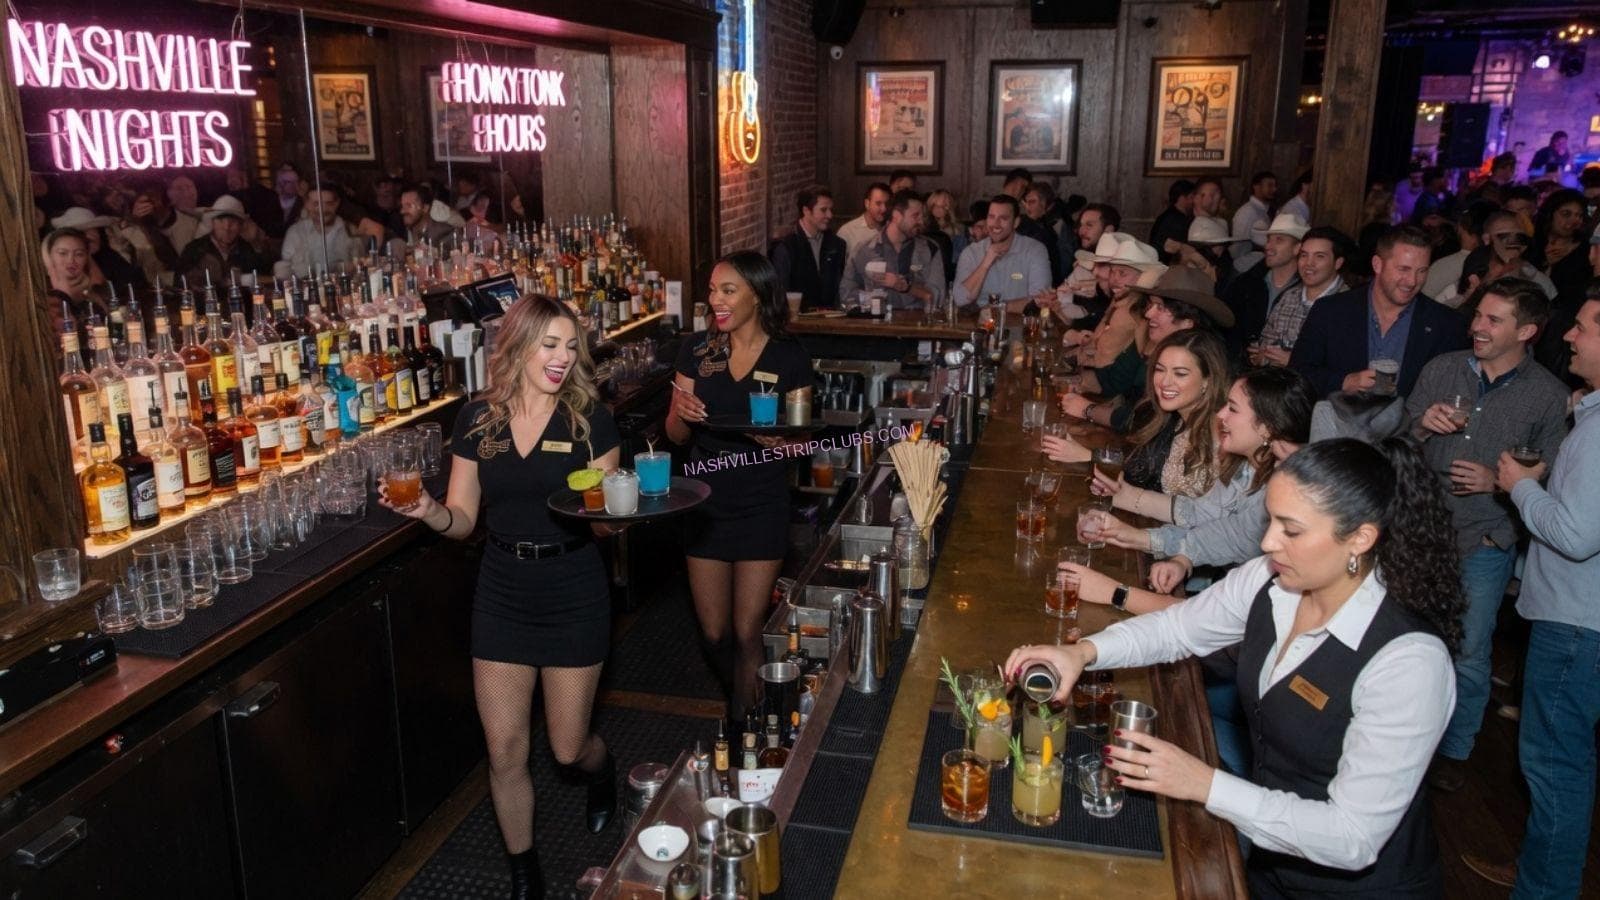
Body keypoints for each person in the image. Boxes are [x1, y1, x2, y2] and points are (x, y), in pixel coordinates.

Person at [1008, 436, 1464, 897]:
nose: (1268, 542)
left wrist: (1204, 783)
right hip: (1272, 864)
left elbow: (1353, 837)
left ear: (1360, 538)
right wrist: (1082, 652)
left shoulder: (1409, 662)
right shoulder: (1271, 582)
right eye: (1270, 521)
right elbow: (1176, 630)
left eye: (1291, 530)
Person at [379, 295, 624, 895]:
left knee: (567, 749)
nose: (563, 358)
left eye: (571, 346)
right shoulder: (476, 421)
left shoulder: (591, 420)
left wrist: (617, 515)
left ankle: (602, 770)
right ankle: (524, 871)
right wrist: (430, 510)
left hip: (573, 588)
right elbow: (463, 519)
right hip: (503, 591)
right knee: (506, 750)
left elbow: (604, 520)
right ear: (517, 345)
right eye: (550, 344)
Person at [1400, 278, 1571, 795]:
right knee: (1405, 640)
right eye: (1478, 315)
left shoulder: (1549, 396)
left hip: (1486, 541)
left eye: (1493, 320)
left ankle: (1455, 748)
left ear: (1527, 330)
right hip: (1420, 532)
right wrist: (1421, 425)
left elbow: (1556, 474)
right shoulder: (1442, 369)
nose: (1476, 325)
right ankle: (1399, 738)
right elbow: (1400, 440)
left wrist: (1500, 489)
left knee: (1468, 651)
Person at [1460, 294, 1600, 895]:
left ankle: (1544, 889)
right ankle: (1543, 872)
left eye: (1585, 326)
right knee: (1560, 761)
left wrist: (1518, 486)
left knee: (1554, 765)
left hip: (1576, 624)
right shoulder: (1587, 417)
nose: (1570, 335)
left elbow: (1573, 535)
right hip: (1580, 619)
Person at [665, 252, 814, 725]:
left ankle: (743, 729)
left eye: (728, 291)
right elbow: (674, 437)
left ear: (757, 295)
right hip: (704, 503)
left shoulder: (789, 355)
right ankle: (746, 696)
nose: (716, 300)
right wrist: (679, 414)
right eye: (712, 290)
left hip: (761, 504)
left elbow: (803, 442)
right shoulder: (697, 350)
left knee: (749, 630)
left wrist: (782, 442)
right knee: (713, 633)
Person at [1071, 367, 1317, 608]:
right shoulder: (1246, 468)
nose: (1220, 415)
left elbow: (1232, 537)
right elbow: (1202, 516)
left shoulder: (1286, 488)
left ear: (1267, 427)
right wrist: (1134, 528)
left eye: (1232, 408)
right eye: (1159, 369)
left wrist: (1140, 545)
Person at [1048, 329, 1233, 499]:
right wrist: (1117, 488)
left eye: (1180, 374)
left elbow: (1207, 518)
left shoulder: (1223, 435)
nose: (1164, 382)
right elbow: (1139, 466)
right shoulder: (1169, 418)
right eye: (1160, 370)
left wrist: (1089, 456)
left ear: (1207, 381)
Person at [1291, 226, 1469, 398]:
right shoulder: (1330, 311)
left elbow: (1452, 390)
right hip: (1336, 423)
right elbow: (1297, 374)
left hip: (1408, 428)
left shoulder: (1446, 324)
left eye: (1421, 271)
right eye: (1403, 269)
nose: (1412, 281)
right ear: (1377, 265)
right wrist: (1344, 382)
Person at [1256, 226, 1350, 366]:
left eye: (1319, 256)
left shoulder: (1348, 305)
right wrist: (1263, 356)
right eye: (1304, 255)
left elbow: (1344, 366)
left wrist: (1295, 361)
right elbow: (1266, 341)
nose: (1308, 264)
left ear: (1338, 263)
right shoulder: (1289, 296)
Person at [839, 189, 944, 311]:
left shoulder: (930, 249)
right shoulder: (864, 250)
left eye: (922, 216)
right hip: (875, 325)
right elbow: (846, 294)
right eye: (915, 216)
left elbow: (938, 297)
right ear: (896, 215)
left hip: (917, 324)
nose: (921, 221)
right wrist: (874, 298)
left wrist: (907, 287)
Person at [1222, 212, 1307, 362]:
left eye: (1279, 240)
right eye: (1269, 239)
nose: (1268, 246)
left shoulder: (1307, 290)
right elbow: (1225, 325)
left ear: (1297, 248)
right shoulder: (1246, 284)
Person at [951, 195, 1050, 311]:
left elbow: (1040, 300)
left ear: (1016, 222)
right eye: (991, 217)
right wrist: (985, 264)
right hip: (980, 324)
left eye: (1003, 218)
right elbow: (960, 299)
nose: (996, 224)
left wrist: (1000, 307)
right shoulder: (971, 252)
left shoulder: (1035, 250)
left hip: (1020, 325)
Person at [770, 185, 846, 312]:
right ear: (806, 211)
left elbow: (839, 287)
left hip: (831, 322)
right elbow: (779, 292)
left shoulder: (837, 244)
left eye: (830, 209)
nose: (830, 215)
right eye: (823, 210)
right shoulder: (786, 246)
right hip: (797, 322)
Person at [178, 197, 272, 290]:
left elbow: (266, 278)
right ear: (213, 222)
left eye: (233, 221)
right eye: (221, 220)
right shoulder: (195, 249)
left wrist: (257, 243)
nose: (227, 227)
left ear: (241, 226)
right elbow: (180, 285)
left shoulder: (247, 249)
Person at [279, 183, 359, 278]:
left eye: (328, 203)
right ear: (306, 204)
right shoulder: (295, 232)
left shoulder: (350, 230)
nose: (322, 209)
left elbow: (359, 266)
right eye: (316, 204)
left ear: (337, 204)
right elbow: (285, 267)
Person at [1231, 171, 1278, 272]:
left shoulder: (1267, 210)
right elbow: (1239, 245)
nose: (1274, 189)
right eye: (1269, 185)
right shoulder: (1247, 212)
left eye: (1275, 186)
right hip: (1248, 267)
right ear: (1256, 187)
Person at [836, 182, 890, 261]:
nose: (884, 209)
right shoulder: (847, 231)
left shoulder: (891, 229)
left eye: (887, 204)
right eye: (878, 203)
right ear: (867, 204)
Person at [1150, 179, 1197, 264]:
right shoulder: (1177, 220)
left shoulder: (1166, 215)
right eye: (1191, 197)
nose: (1195, 201)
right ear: (1182, 198)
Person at [398, 183, 455, 248]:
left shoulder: (443, 234)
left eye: (409, 206)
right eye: (402, 206)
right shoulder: (403, 233)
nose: (402, 211)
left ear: (425, 208)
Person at [266, 163, 305, 240]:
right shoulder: (271, 202)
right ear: (281, 183)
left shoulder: (303, 203)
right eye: (289, 182)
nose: (294, 185)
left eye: (296, 181)